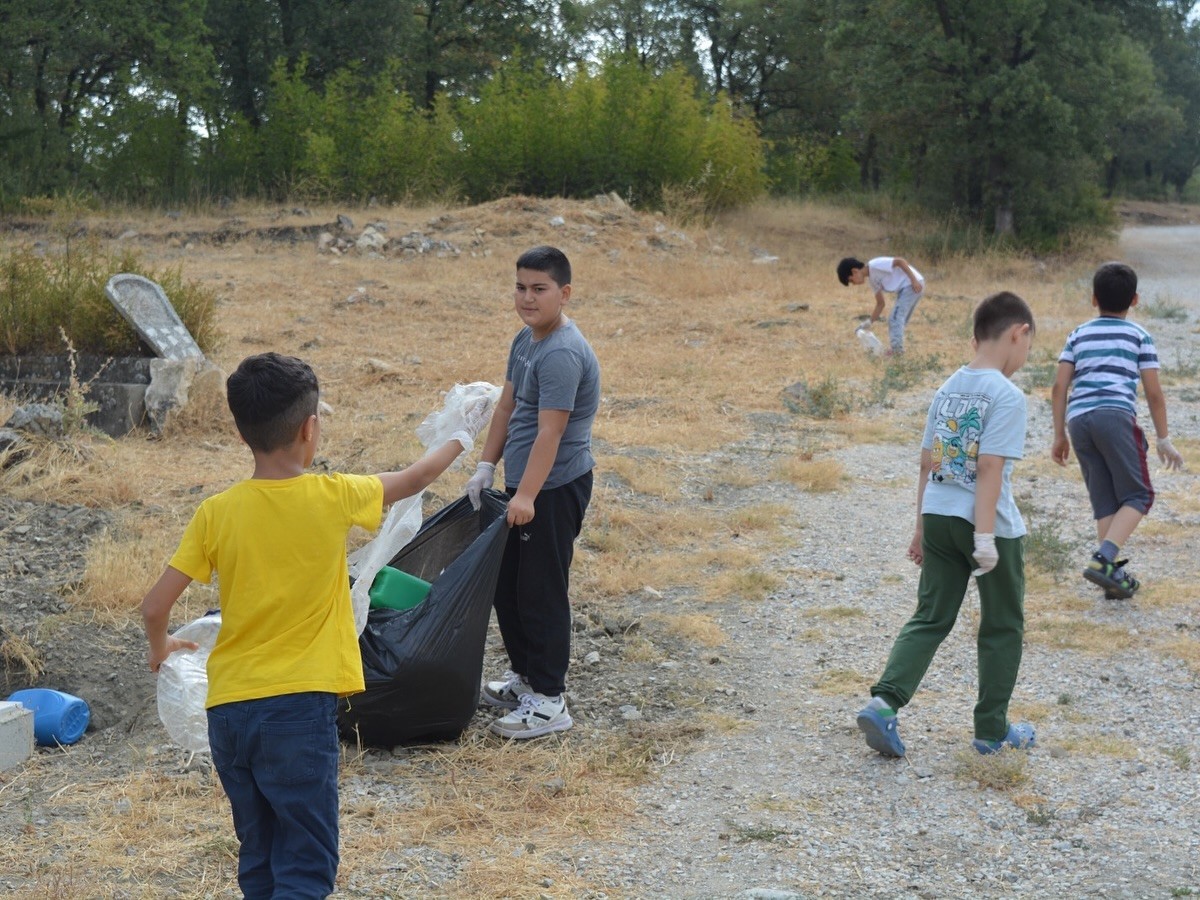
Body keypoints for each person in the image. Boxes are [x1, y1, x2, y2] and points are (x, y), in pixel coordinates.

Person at [141, 352, 481, 899]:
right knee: (305, 861)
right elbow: (417, 477)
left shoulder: (216, 512)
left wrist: (163, 649)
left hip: (228, 712)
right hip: (297, 711)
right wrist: (463, 434)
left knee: (260, 851)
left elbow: (155, 606)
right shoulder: (333, 495)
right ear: (310, 428)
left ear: (239, 429)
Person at [856, 291, 1037, 758]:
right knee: (1001, 626)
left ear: (975, 336)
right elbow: (991, 467)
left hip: (937, 514)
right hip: (986, 525)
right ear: (1019, 334)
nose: (1024, 358)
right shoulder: (1007, 395)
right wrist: (984, 537)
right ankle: (991, 732)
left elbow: (924, 463)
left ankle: (883, 703)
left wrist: (919, 528)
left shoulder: (947, 388)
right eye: (1027, 348)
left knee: (930, 616)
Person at [463, 245, 601, 739]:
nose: (527, 297)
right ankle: (526, 680)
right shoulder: (525, 339)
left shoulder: (562, 352)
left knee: (541, 590)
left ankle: (549, 699)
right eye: (520, 287)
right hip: (522, 485)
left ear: (563, 293)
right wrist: (486, 466)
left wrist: (528, 498)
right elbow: (506, 409)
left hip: (554, 487)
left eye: (539, 289)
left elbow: (551, 433)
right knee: (509, 586)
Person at [1050, 261, 1185, 600]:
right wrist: (1163, 438)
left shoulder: (1077, 334)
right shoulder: (1139, 336)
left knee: (1106, 498)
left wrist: (1059, 434)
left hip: (1078, 421)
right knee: (1140, 495)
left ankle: (1112, 575)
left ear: (1094, 299)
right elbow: (1153, 393)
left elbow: (1059, 387)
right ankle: (1104, 559)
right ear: (1135, 300)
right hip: (1114, 416)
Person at [837, 255, 926, 355]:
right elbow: (880, 303)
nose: (853, 283)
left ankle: (897, 351)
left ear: (854, 271)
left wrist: (913, 280)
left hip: (911, 285)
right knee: (899, 320)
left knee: (895, 318)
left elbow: (900, 261)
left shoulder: (875, 265)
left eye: (851, 280)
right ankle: (897, 348)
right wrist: (868, 322)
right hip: (907, 288)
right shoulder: (873, 281)